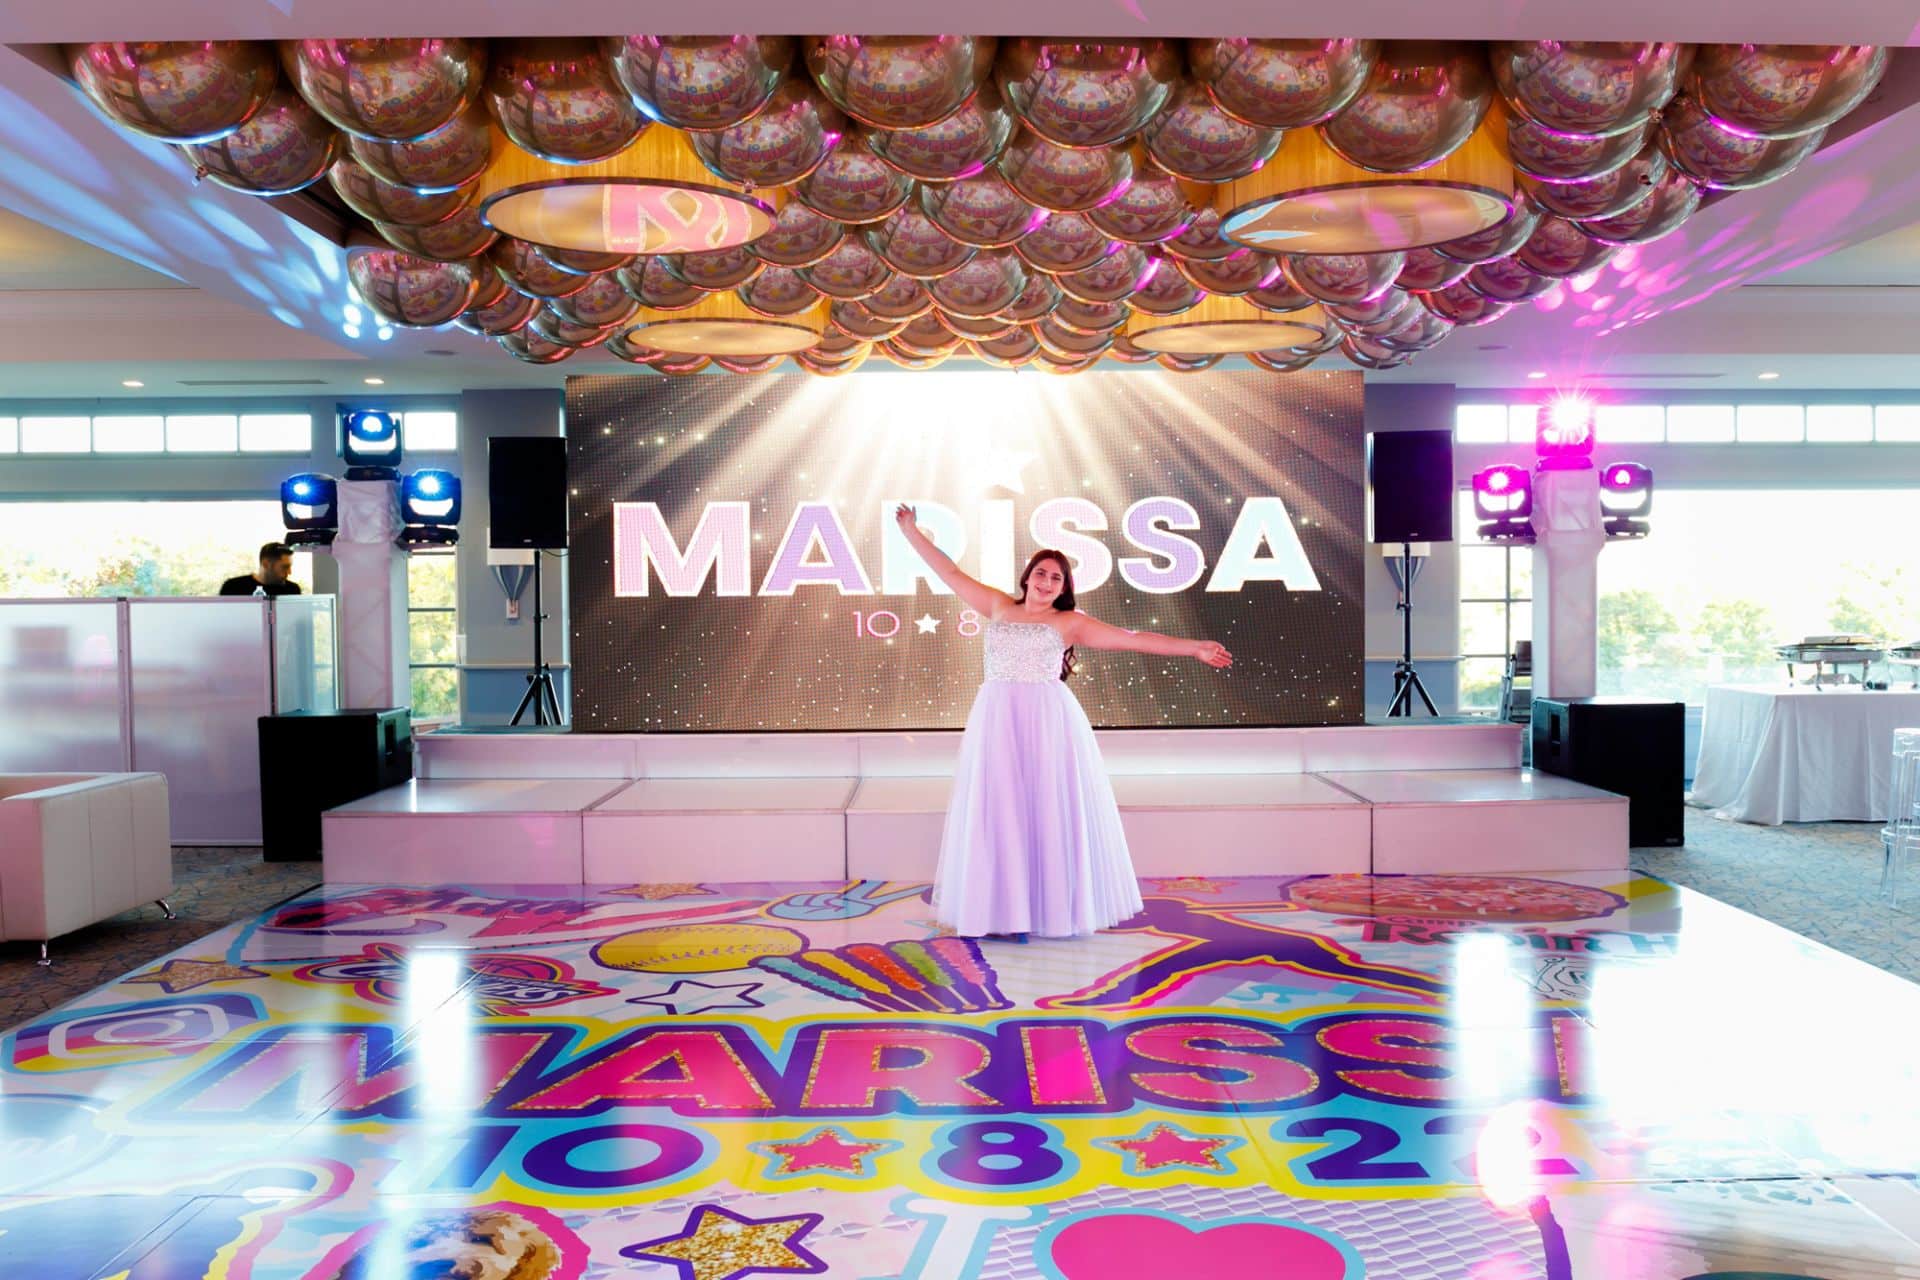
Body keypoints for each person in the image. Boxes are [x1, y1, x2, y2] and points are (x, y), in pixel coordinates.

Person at [894, 504, 1232, 939]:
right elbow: (950, 572)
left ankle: (1046, 911)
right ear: (1027, 577)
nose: (1047, 581)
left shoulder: (1069, 622)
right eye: (1041, 573)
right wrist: (911, 531)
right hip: (997, 720)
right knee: (999, 811)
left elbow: (1132, 639)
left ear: (1063, 587)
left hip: (1046, 722)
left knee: (1045, 811)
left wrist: (1194, 648)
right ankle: (1001, 912)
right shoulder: (998, 606)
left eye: (1057, 578)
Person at [219, 542, 302, 597]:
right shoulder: (233, 587)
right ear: (266, 564)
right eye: (285, 567)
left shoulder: (292, 590)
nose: (290, 572)